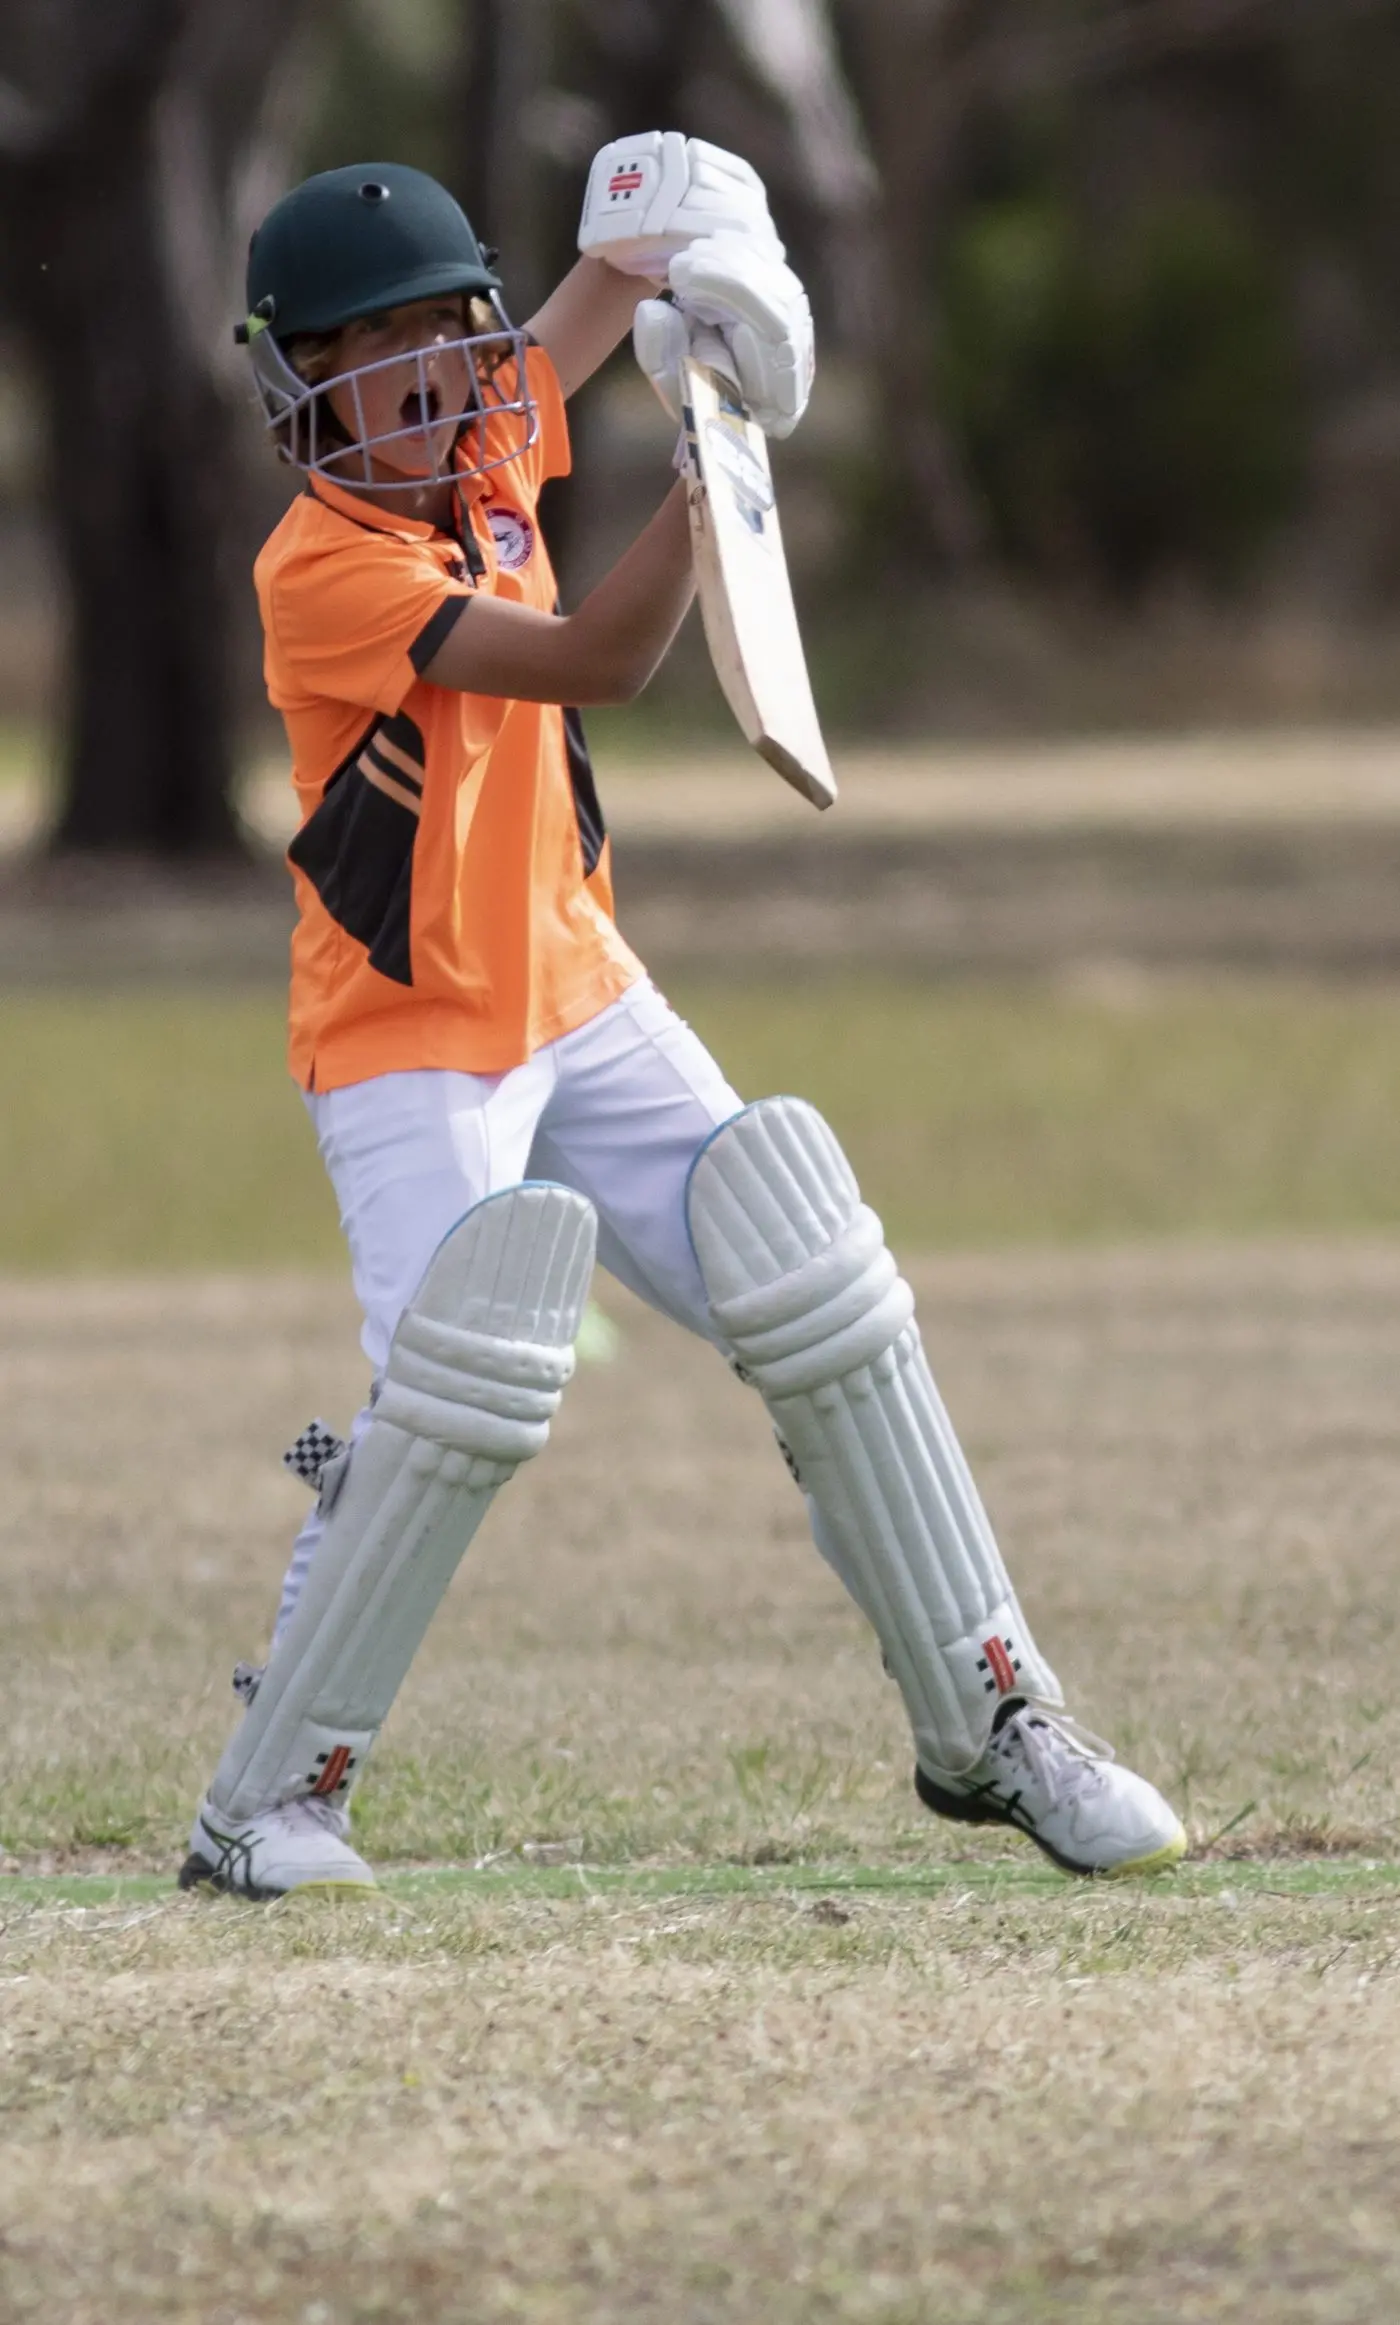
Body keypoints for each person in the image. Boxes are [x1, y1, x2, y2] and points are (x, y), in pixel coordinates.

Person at [182, 141, 1186, 1898]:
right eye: (372, 347)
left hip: (578, 984)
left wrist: (687, 228)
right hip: (412, 1034)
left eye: (445, 330)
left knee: (818, 1281)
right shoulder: (318, 568)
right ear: (304, 383)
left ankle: (997, 1724)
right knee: (449, 1409)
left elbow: (605, 285)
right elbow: (598, 665)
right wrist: (722, 464)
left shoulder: (484, 429)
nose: (424, 375)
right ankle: (268, 1800)